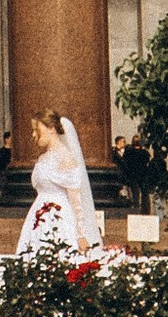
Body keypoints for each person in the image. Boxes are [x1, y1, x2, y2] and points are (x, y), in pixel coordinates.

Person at [13, 112, 104, 262]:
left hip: (59, 216)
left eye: (38, 130)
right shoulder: (44, 157)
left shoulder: (65, 157)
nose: (34, 135)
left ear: (51, 129)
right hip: (39, 215)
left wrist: (81, 234)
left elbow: (76, 199)